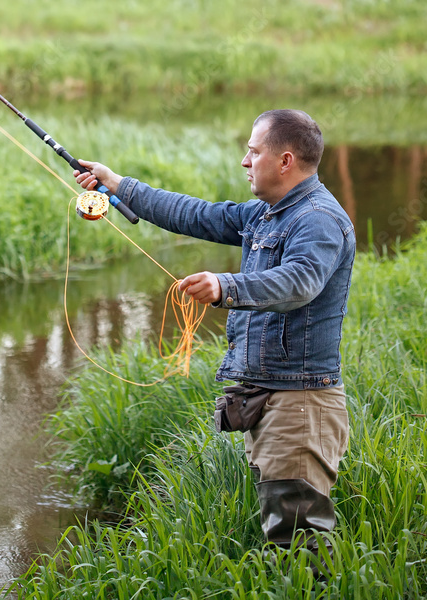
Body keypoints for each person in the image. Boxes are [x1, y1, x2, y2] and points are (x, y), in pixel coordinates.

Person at [74, 108, 355, 553]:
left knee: (299, 541)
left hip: (300, 404)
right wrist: (118, 184)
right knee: (285, 532)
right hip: (268, 394)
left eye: (253, 151)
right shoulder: (266, 214)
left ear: (284, 161)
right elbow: (196, 214)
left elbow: (300, 281)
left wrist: (225, 285)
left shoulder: (318, 219)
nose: (245, 161)